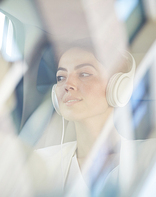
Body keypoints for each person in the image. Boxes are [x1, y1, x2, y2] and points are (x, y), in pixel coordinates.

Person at [35, 43, 134, 196]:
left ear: (118, 86)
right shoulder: (39, 166)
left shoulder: (150, 154)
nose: (67, 85)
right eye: (61, 77)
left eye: (84, 74)